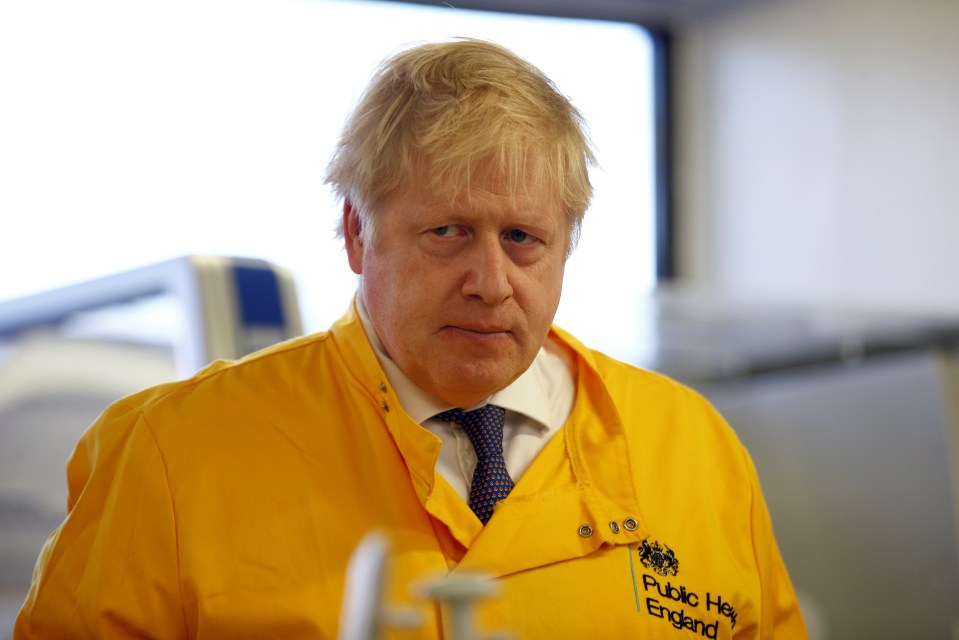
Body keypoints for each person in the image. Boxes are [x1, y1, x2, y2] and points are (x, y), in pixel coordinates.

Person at [15, 39, 806, 638]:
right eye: (447, 231)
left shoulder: (691, 448)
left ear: (568, 244)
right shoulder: (170, 455)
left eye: (524, 238)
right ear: (357, 234)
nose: (490, 281)